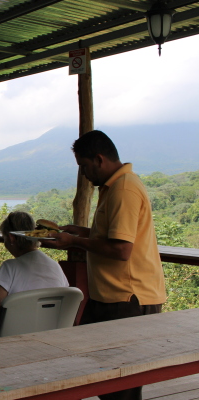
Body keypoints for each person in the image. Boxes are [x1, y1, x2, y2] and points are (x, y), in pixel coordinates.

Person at [47, 130, 166, 400]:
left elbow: (122, 249)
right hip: (111, 297)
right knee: (103, 376)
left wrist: (73, 242)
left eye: (85, 167)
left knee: (121, 387)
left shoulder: (124, 189)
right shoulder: (115, 187)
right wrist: (80, 231)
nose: (84, 175)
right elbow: (112, 236)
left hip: (127, 298)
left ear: (99, 159)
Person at [0, 212, 69, 340]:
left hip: (11, 340)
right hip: (50, 337)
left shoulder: (10, 267)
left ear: (11, 238)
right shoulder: (55, 267)